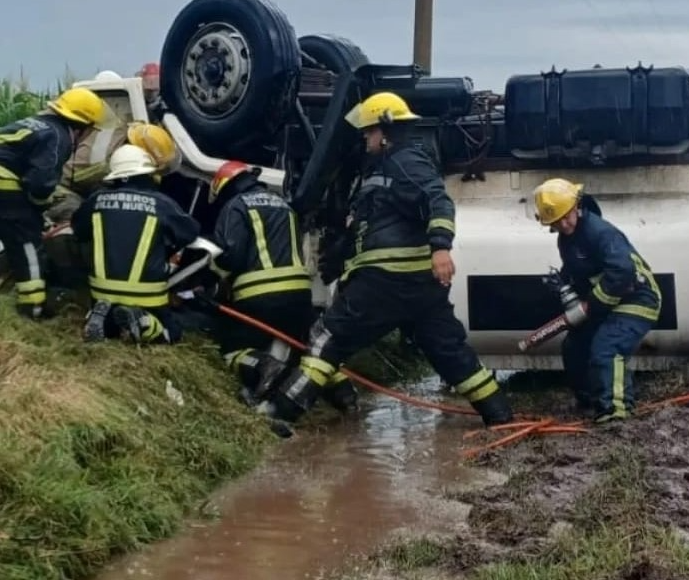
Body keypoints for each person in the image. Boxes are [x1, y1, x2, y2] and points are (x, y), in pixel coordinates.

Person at [259, 91, 514, 427]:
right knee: (452, 355)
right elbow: (367, 229)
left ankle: (280, 413)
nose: (365, 138)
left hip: (383, 282)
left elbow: (438, 201)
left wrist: (441, 247)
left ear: (386, 130)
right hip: (417, 287)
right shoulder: (382, 171)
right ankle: (500, 416)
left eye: (369, 132)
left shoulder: (406, 162)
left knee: (327, 340)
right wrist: (336, 261)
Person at [0, 87, 115, 318]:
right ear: (82, 126)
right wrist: (39, 211)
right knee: (27, 245)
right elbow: (40, 182)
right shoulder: (59, 135)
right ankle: (32, 308)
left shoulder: (32, 123)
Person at [206, 160, 357, 412]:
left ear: (225, 187)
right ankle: (345, 393)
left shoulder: (236, 205)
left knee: (231, 347)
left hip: (258, 296)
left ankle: (264, 366)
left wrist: (211, 277)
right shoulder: (284, 205)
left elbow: (231, 255)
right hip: (299, 296)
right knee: (309, 349)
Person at [532, 177, 662, 422]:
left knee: (607, 347)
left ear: (576, 206)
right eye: (556, 221)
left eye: (566, 215)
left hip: (638, 298)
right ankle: (590, 400)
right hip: (607, 303)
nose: (564, 223)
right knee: (574, 347)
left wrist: (590, 305)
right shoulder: (567, 240)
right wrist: (564, 283)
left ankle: (615, 411)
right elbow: (580, 271)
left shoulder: (600, 232)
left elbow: (622, 272)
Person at [72, 144, 200, 344]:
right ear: (146, 173)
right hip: (147, 295)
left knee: (115, 324)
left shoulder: (96, 200)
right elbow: (190, 232)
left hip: (101, 291)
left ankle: (102, 319)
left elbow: (78, 231)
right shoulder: (161, 203)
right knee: (172, 331)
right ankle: (144, 323)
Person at [46, 120, 181, 223]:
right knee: (88, 220)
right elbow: (107, 194)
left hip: (76, 176)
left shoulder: (131, 131)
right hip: (62, 188)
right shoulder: (103, 164)